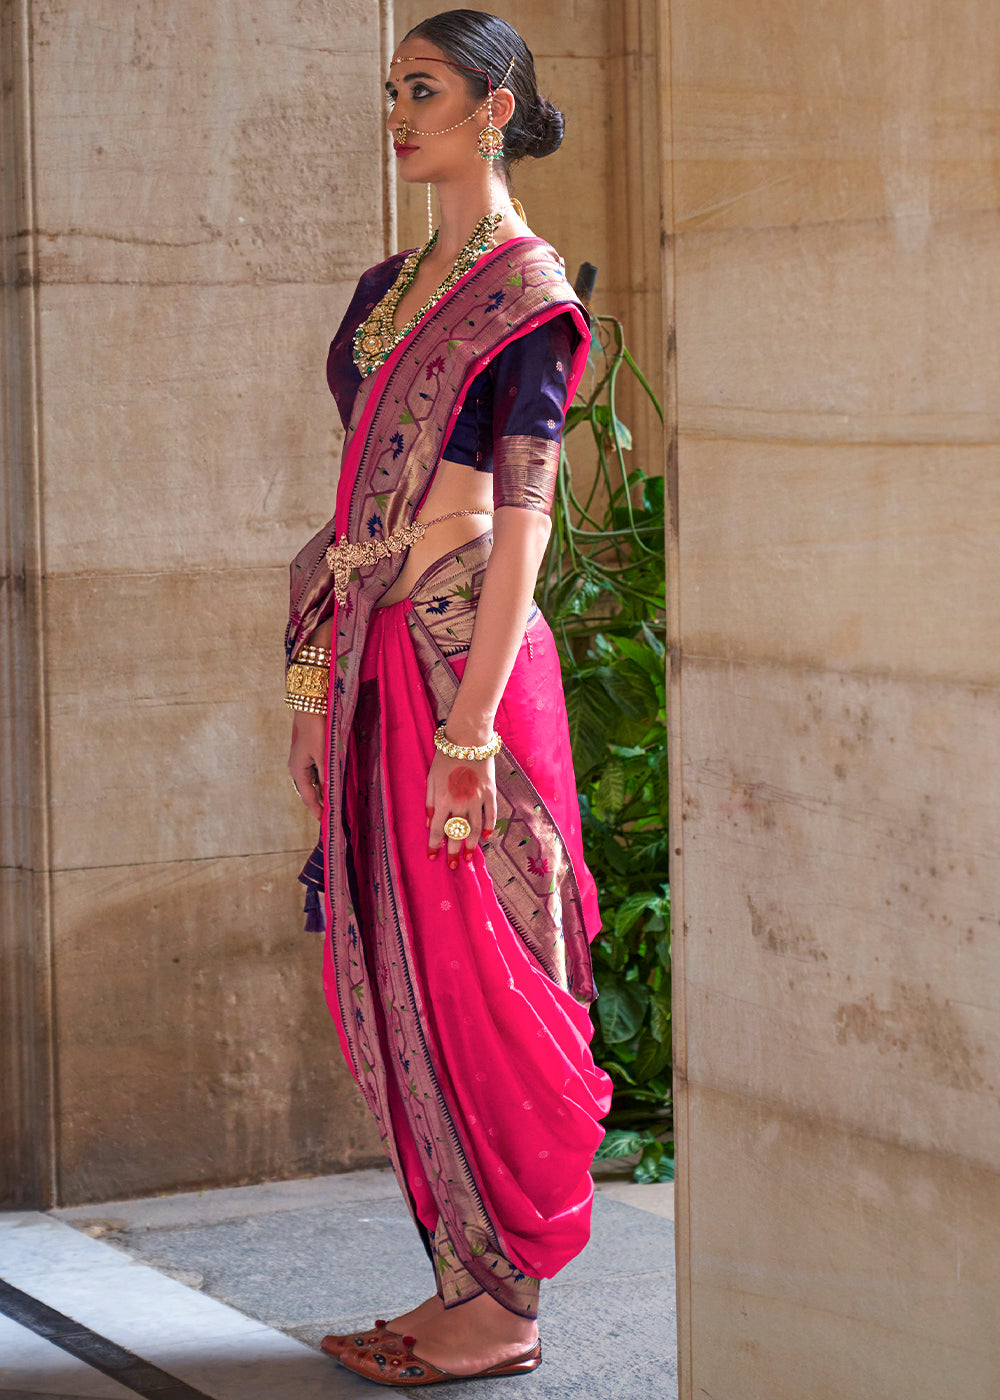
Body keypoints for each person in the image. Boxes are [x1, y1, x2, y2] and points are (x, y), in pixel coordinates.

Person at [285, 9, 611, 1387]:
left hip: (468, 662)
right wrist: (313, 682)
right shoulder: (385, 291)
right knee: (403, 962)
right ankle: (455, 1285)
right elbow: (356, 509)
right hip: (371, 659)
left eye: (423, 90)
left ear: (497, 106)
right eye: (393, 89)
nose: (398, 112)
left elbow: (523, 526)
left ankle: (505, 1304)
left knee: (484, 962)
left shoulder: (524, 299)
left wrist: (471, 728)